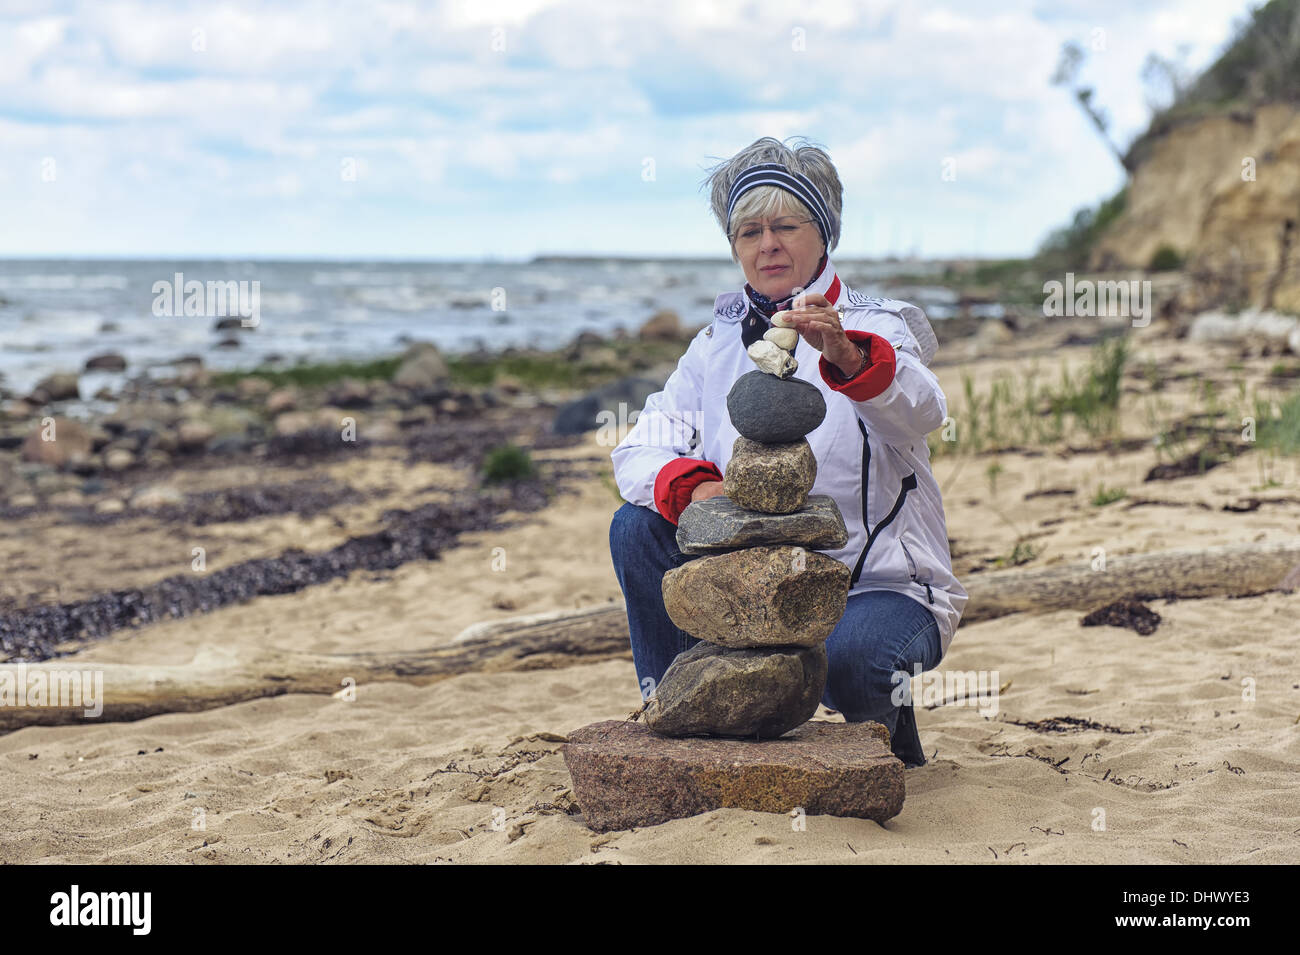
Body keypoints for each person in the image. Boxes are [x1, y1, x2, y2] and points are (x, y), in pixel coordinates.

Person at [608, 136, 967, 768]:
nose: (766, 244)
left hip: (874, 585)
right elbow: (639, 448)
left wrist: (847, 357)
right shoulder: (717, 344)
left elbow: (924, 411)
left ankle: (888, 747)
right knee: (636, 526)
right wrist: (698, 491)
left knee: (854, 659)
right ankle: (682, 719)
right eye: (748, 231)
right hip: (748, 581)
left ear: (823, 235)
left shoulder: (876, 326)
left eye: (785, 225)